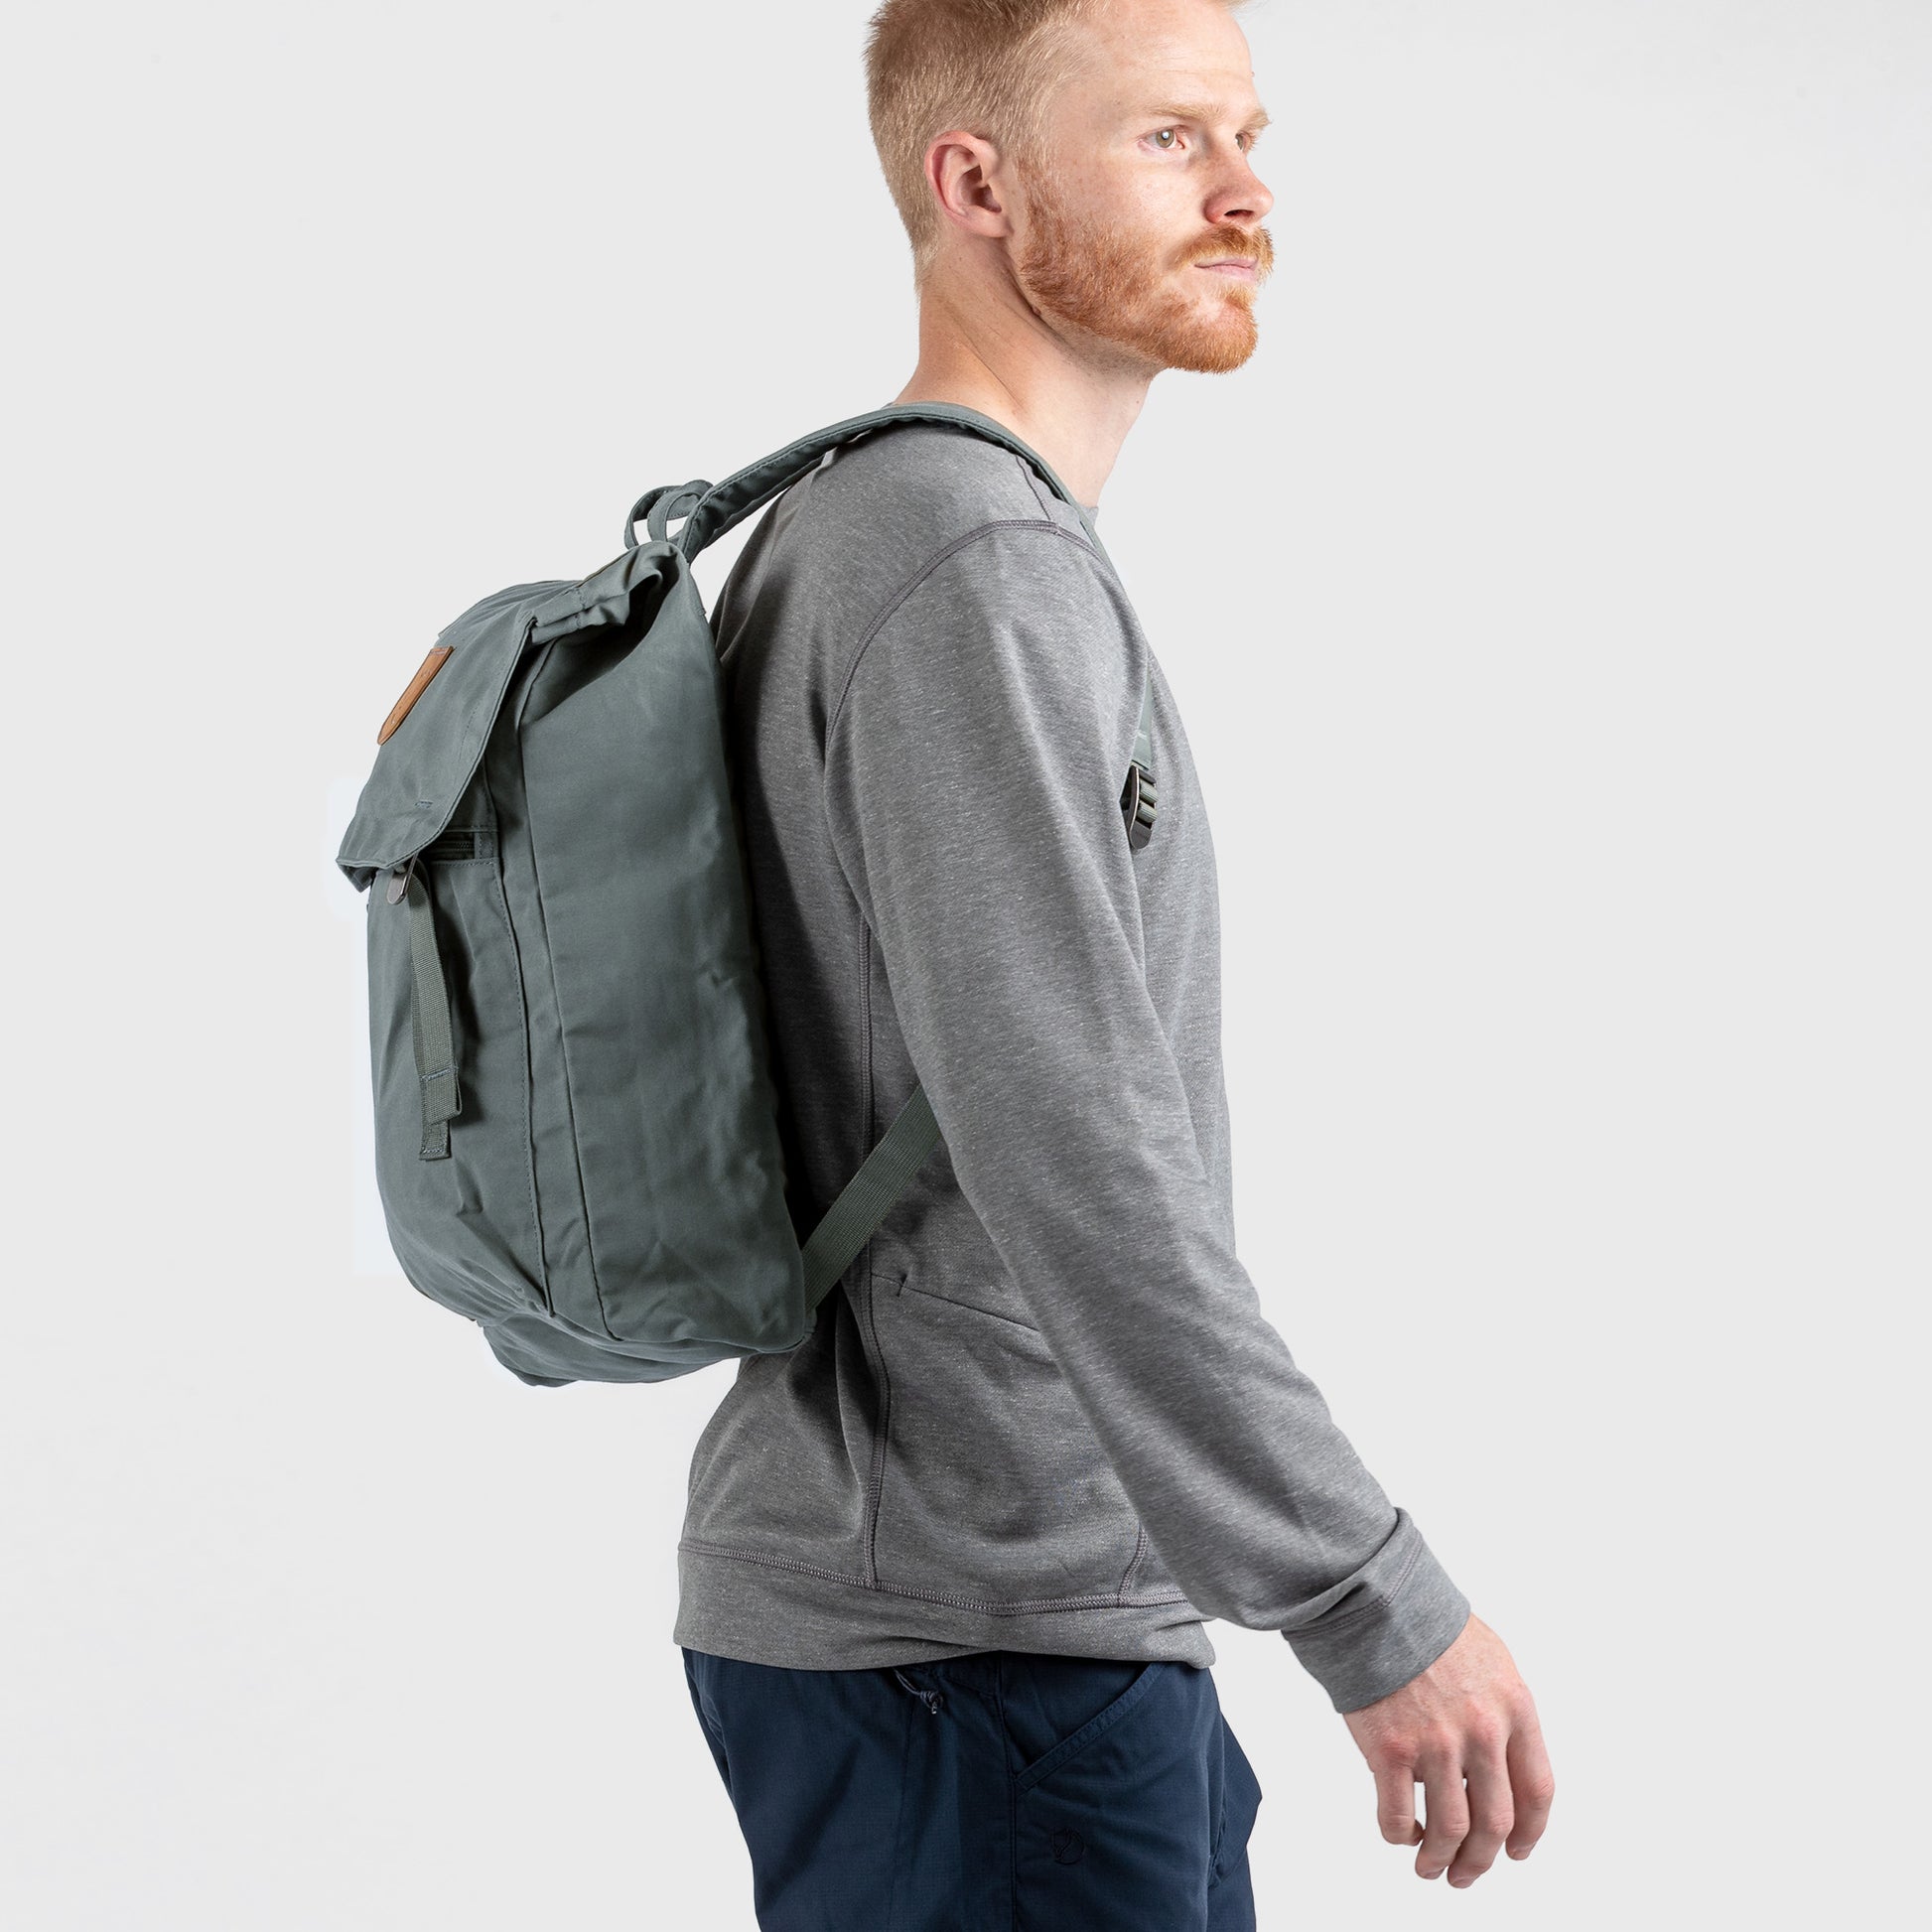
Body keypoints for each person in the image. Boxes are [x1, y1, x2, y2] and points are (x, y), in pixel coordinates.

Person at [675, 1, 1554, 1923]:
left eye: (1248, 137)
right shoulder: (959, 560)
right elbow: (1074, 1144)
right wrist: (1369, 1592)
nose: (1243, 194)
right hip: (978, 1647)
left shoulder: (898, 531)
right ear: (973, 184)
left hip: (985, 1627)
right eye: (1167, 140)